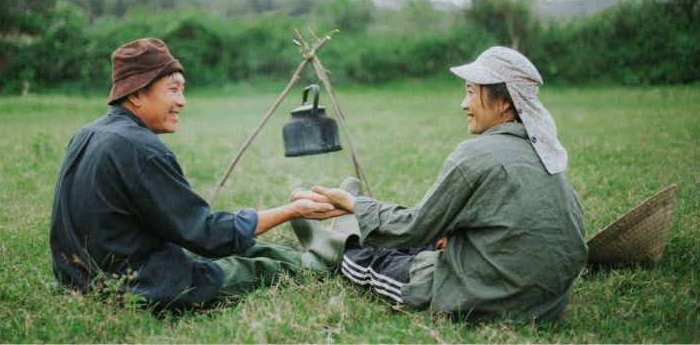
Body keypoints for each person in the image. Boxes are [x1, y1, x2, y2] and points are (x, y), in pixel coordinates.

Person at [292, 46, 588, 322]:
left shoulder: (475, 155)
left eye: (471, 92)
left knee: (381, 262)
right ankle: (359, 226)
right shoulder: (548, 156)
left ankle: (333, 247)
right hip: (544, 303)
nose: (464, 104)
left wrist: (354, 205)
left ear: (504, 103)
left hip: (485, 299)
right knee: (432, 237)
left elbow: (414, 227)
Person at [49, 38, 340, 311]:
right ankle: (328, 264)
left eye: (182, 90)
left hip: (81, 280)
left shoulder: (88, 133)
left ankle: (319, 252)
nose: (182, 101)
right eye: (172, 90)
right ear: (136, 94)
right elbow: (206, 235)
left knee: (245, 247)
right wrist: (292, 211)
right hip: (139, 285)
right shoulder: (141, 148)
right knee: (255, 267)